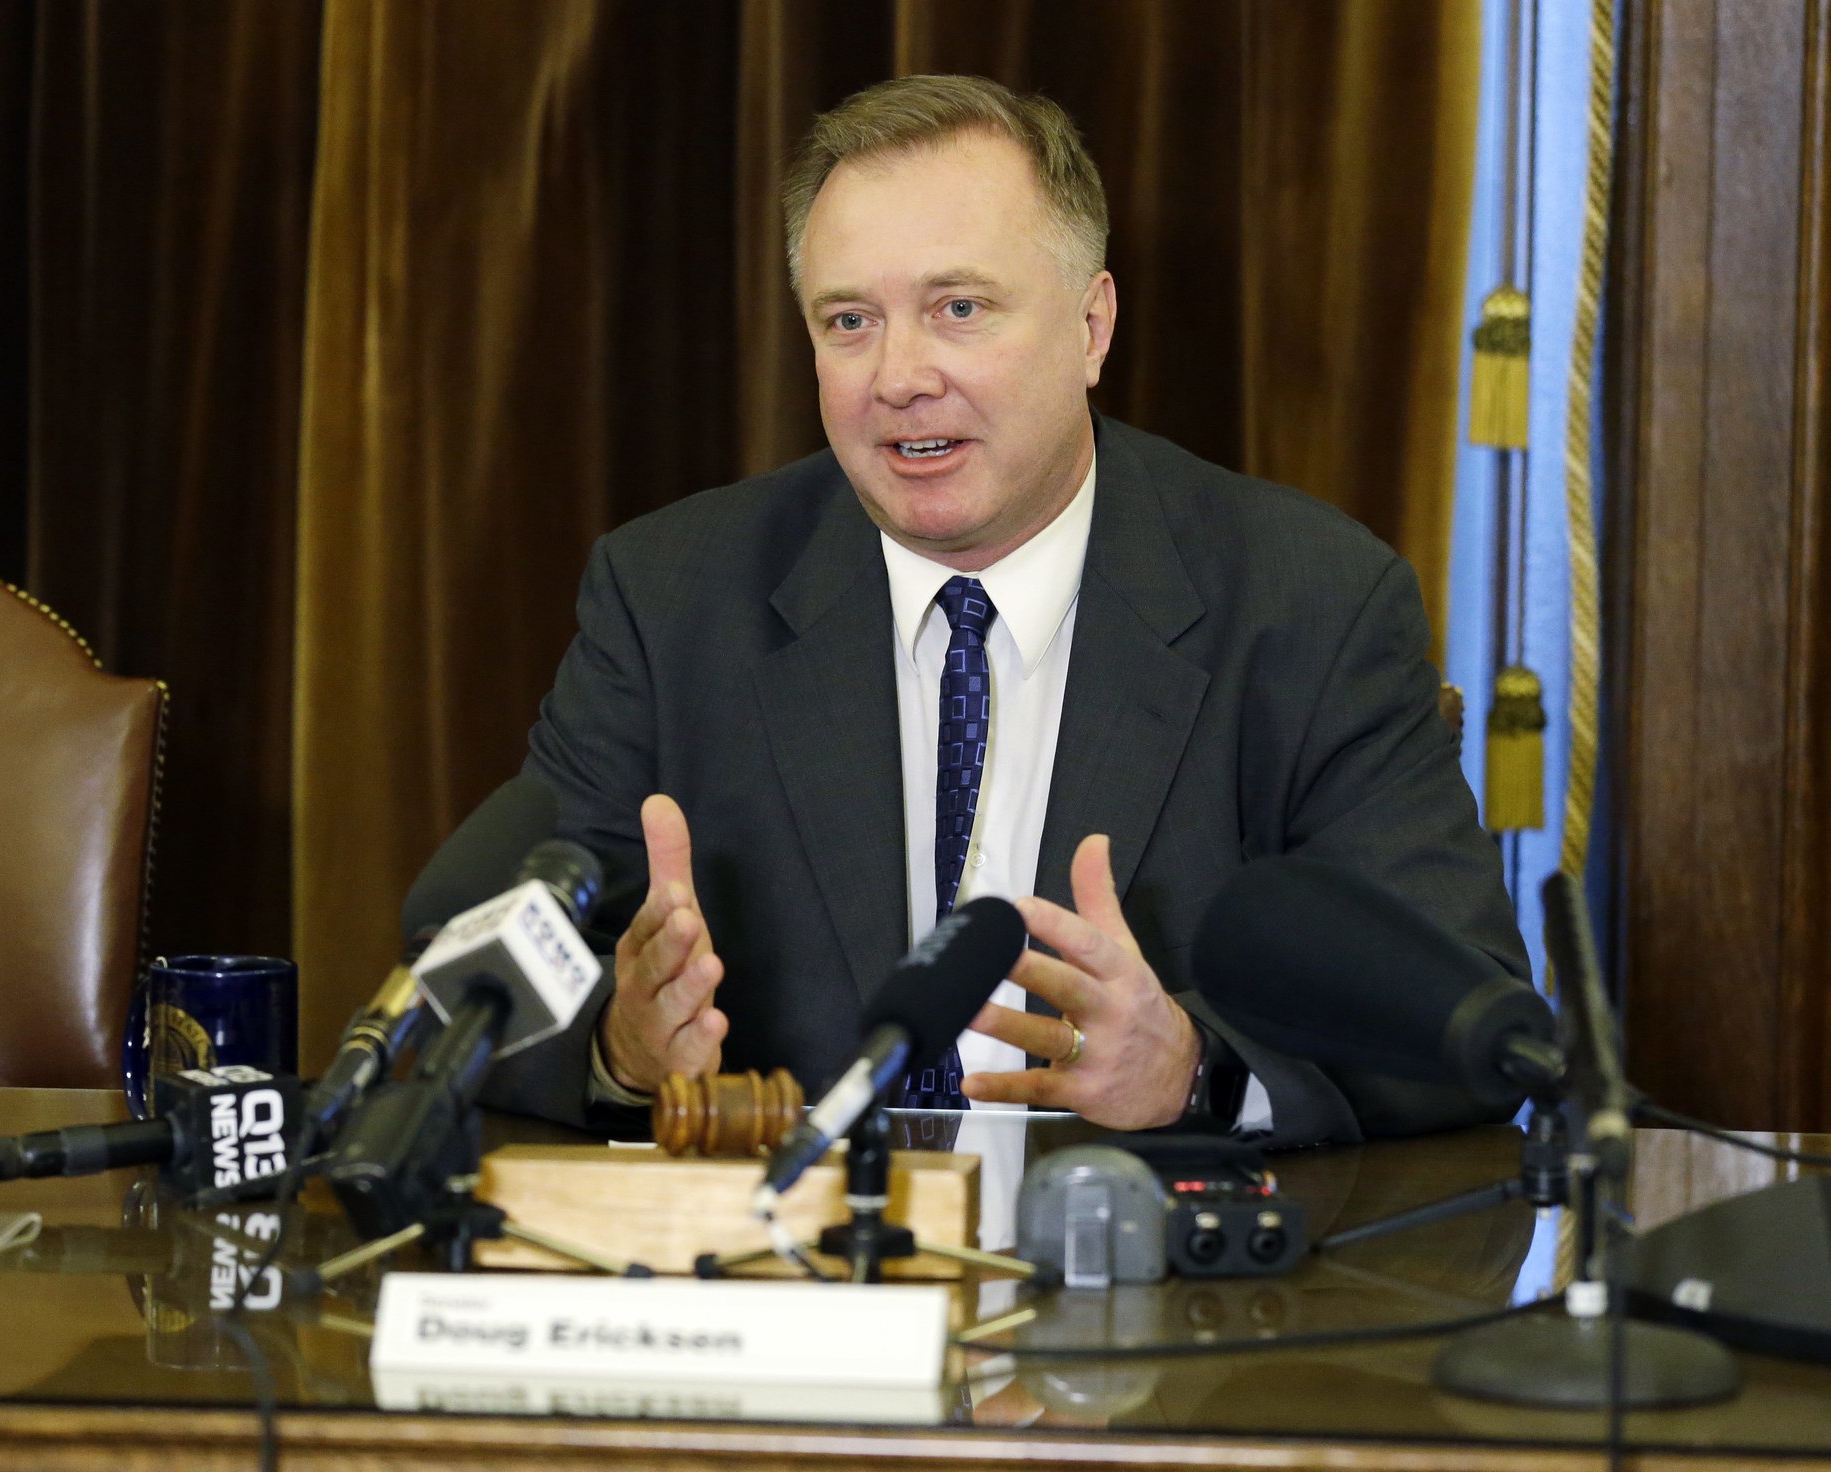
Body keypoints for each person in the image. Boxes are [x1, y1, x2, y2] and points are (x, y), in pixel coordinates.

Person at [453, 75, 1525, 1146]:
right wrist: (618, 1049)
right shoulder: (675, 596)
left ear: (1091, 325)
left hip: (1135, 1292)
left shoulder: (1305, 603)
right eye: (848, 321)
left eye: (957, 308)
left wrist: (1192, 1073)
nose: (898, 376)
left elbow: (1468, 1035)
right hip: (793, 1284)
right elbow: (462, 987)